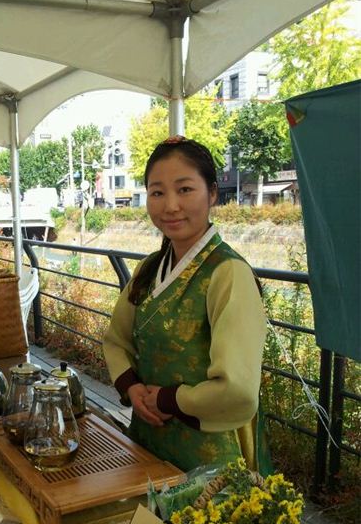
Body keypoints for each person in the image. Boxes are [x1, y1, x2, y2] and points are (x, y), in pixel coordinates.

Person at [103, 136, 270, 474]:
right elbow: (116, 340)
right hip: (148, 439)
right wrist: (131, 388)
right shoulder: (150, 268)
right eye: (157, 192)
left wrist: (169, 400)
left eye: (184, 190)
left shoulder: (229, 273)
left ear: (212, 194)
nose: (170, 206)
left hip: (210, 459)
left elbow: (237, 388)